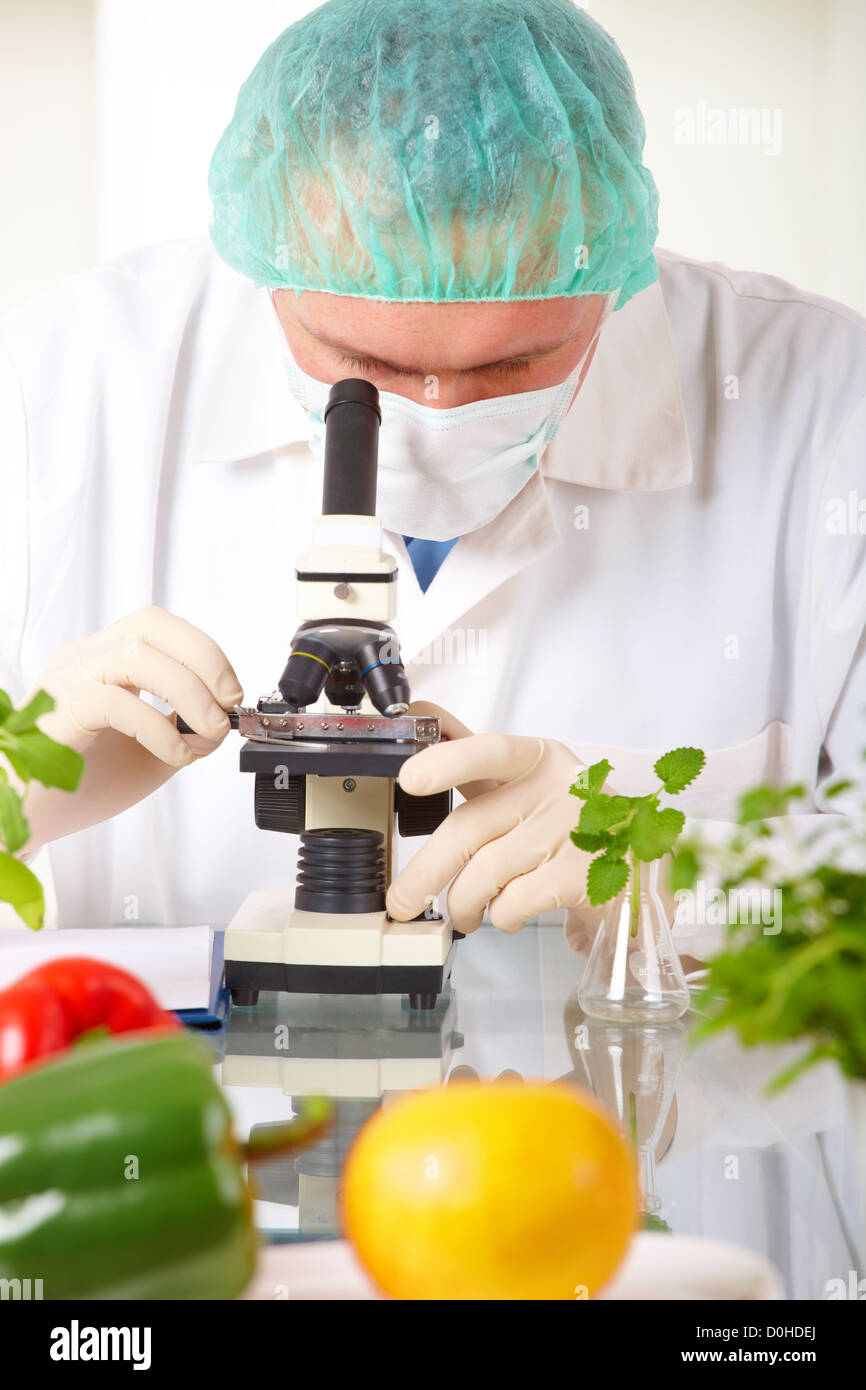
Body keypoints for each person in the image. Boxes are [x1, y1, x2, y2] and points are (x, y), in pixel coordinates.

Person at [0, 0, 863, 950]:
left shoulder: (826, 408)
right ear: (269, 269)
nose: (438, 413)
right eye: (359, 364)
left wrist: (683, 882)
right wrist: (18, 790)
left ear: (612, 274)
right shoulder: (54, 389)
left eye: (510, 366)